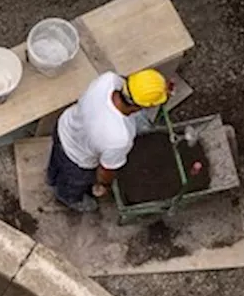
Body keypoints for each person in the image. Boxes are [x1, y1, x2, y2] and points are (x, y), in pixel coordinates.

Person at [46, 68, 170, 212]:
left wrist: (158, 88)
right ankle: (67, 198)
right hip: (78, 159)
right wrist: (103, 185)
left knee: (56, 160)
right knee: (73, 184)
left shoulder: (108, 80)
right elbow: (106, 170)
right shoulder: (120, 138)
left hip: (65, 126)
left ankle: (51, 177)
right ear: (140, 107)